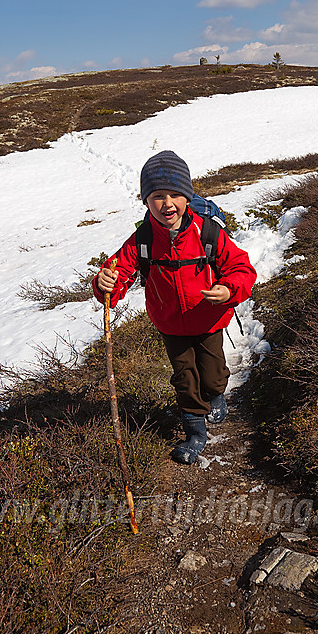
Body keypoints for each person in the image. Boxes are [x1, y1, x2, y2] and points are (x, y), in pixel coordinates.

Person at [93, 150, 257, 465]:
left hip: (208, 320)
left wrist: (229, 290)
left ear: (187, 196)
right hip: (170, 324)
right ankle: (195, 433)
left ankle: (216, 393)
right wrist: (105, 285)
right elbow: (116, 275)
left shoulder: (207, 231)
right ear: (145, 201)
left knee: (211, 374)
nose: (167, 203)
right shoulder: (142, 239)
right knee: (185, 377)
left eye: (174, 195)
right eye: (157, 196)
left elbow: (241, 267)